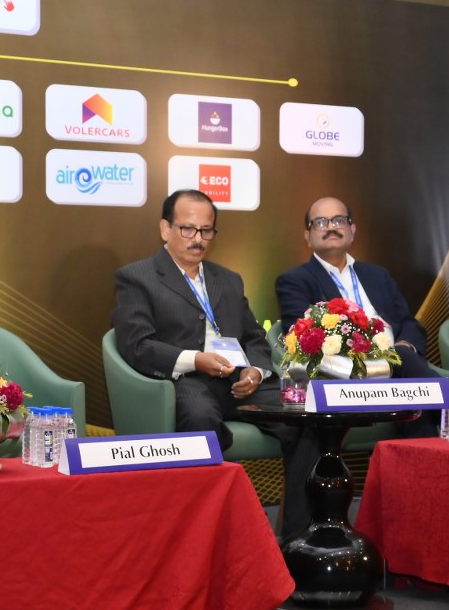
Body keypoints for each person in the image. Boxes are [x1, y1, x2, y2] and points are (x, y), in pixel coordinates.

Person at [112, 189, 314, 538]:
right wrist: (195, 360)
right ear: (165, 228)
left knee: (304, 413)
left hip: (238, 382)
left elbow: (254, 338)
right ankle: (211, 534)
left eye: (206, 230)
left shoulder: (228, 279)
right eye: (187, 229)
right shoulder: (137, 277)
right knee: (200, 417)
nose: (198, 239)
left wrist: (256, 371)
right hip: (184, 380)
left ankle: (299, 538)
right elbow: (137, 345)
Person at [275, 196, 437, 435]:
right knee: (413, 384)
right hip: (346, 372)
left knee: (407, 372)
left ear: (352, 230)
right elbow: (302, 335)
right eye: (320, 222)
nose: (331, 227)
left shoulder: (377, 275)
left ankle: (423, 454)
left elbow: (408, 323)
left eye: (338, 220)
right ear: (307, 236)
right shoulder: (295, 280)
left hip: (397, 366)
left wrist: (405, 347)